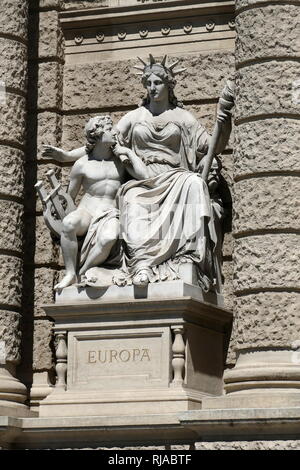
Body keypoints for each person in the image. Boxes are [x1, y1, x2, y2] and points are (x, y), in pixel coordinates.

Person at [110, 55, 232, 290]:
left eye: (157, 83)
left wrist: (224, 122)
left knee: (195, 183)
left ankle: (188, 256)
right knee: (132, 200)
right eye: (148, 83)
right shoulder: (135, 117)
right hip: (143, 179)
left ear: (169, 85)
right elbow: (108, 139)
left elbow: (213, 145)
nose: (152, 88)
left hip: (175, 176)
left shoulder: (183, 118)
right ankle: (141, 263)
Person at [49, 115, 152, 290]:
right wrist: (54, 210)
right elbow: (69, 198)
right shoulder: (82, 164)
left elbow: (146, 177)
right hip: (87, 211)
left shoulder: (120, 161)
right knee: (69, 223)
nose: (115, 132)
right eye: (110, 129)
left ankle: (84, 271)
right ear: (97, 134)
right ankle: (70, 274)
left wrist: (128, 152)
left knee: (109, 237)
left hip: (110, 213)